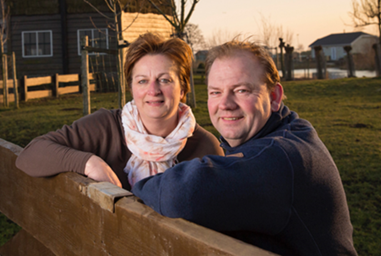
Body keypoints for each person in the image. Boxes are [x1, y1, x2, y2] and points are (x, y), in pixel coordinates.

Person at [132, 40, 357, 256]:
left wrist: (137, 187)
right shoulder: (292, 128)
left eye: (241, 90)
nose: (226, 104)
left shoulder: (280, 157)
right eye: (216, 92)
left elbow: (181, 194)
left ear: (274, 96)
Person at [16, 33, 224, 190]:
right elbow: (30, 154)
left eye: (165, 80)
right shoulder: (106, 127)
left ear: (184, 88)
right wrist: (89, 163)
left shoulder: (205, 148)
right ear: (131, 88)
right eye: (142, 81)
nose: (153, 90)